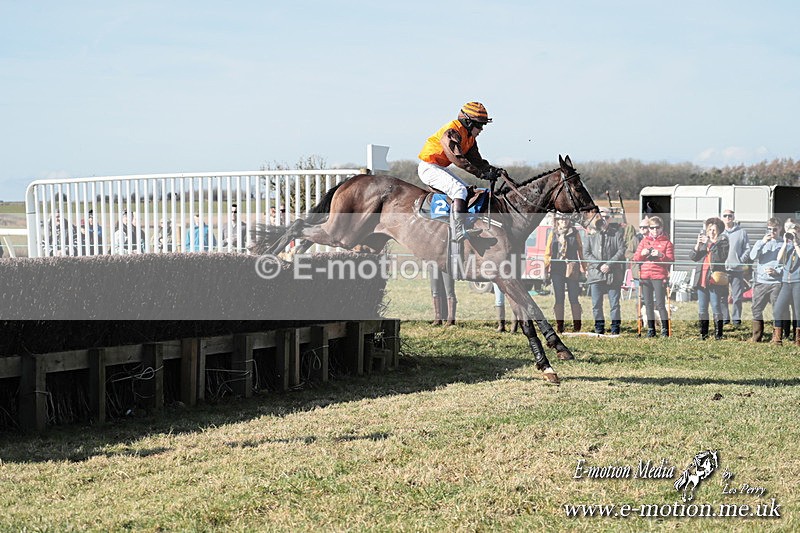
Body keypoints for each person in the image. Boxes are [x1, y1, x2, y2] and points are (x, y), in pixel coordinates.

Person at [418, 102, 502, 243]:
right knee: (459, 191)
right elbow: (457, 158)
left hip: (440, 168)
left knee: (468, 191)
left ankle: (465, 223)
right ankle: (458, 230)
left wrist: (490, 170)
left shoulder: (469, 138)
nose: (481, 129)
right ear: (468, 122)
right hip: (429, 167)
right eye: (479, 125)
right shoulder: (452, 132)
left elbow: (476, 160)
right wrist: (481, 174)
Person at [583, 208, 627, 335]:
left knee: (614, 304)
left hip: (613, 275)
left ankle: (615, 329)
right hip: (596, 275)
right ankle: (599, 328)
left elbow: (621, 251)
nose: (604, 220)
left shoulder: (617, 234)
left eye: (606, 217)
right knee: (596, 305)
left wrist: (609, 264)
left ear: (610, 219)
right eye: (601, 217)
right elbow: (586, 253)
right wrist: (600, 265)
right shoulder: (590, 235)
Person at [633, 216, 674, 337]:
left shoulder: (667, 242)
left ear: (662, 228)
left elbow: (670, 260)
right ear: (649, 229)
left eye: (657, 228)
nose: (655, 230)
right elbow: (635, 258)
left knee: (661, 304)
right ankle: (651, 329)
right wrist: (642, 254)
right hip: (645, 275)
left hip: (659, 276)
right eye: (652, 228)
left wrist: (661, 255)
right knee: (648, 303)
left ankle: (665, 329)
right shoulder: (644, 241)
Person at [690, 217, 730, 340]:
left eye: (714, 230)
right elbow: (693, 257)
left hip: (714, 279)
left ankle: (718, 334)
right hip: (701, 278)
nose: (712, 232)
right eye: (710, 229)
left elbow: (720, 257)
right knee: (702, 307)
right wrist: (697, 245)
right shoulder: (703, 242)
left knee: (716, 306)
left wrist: (709, 243)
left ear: (719, 231)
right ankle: (704, 334)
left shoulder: (723, 241)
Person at [544, 214, 585, 333]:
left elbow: (580, 250)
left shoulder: (575, 233)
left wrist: (584, 268)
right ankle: (560, 327)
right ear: (557, 221)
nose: (564, 221)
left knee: (574, 297)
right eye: (561, 219)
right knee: (559, 298)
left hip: (572, 268)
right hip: (557, 269)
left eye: (566, 219)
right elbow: (548, 252)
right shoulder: (553, 233)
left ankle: (577, 327)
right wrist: (546, 270)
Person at [748, 217, 784, 342]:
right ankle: (756, 337)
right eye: (769, 229)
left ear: (780, 229)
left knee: (777, 310)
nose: (772, 232)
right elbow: (752, 257)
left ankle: (777, 337)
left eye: (775, 229)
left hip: (776, 282)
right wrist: (762, 242)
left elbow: (788, 264)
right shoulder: (761, 242)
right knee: (756, 308)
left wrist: (777, 271)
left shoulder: (784, 244)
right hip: (761, 281)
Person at [720, 209, 751, 326]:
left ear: (733, 217)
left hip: (737, 269)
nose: (728, 218)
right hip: (722, 269)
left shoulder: (742, 232)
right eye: (725, 216)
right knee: (723, 296)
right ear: (722, 218)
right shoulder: (720, 232)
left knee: (737, 296)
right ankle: (725, 318)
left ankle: (736, 319)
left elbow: (747, 249)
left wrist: (741, 261)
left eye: (730, 216)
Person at [772, 221, 800, 346]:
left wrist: (796, 243)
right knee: (778, 309)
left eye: (795, 231)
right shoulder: (787, 246)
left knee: (798, 312)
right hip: (786, 282)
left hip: (798, 281)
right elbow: (778, 259)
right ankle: (777, 339)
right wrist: (785, 243)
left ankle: (798, 339)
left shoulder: (797, 245)